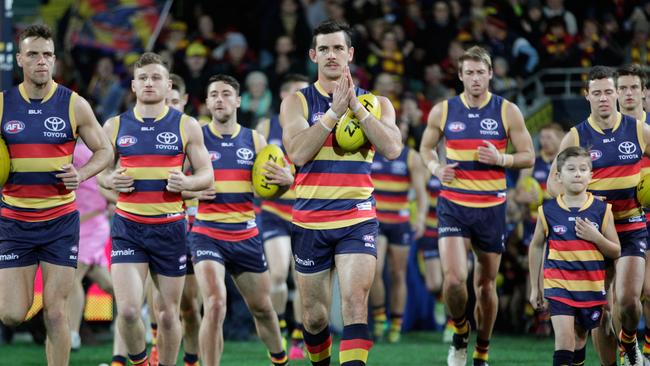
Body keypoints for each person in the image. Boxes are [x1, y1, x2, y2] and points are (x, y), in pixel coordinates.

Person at [280, 20, 402, 366]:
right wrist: (334, 112)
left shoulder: (378, 103)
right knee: (315, 317)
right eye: (324, 49)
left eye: (338, 48)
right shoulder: (296, 102)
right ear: (312, 55)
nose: (331, 55)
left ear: (350, 54)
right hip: (310, 221)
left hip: (357, 218)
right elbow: (298, 153)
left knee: (354, 304)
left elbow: (393, 148)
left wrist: (358, 109)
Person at [0, 24, 113, 366]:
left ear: (54, 60)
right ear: (20, 59)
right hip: (14, 222)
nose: (41, 61)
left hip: (60, 222)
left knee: (56, 312)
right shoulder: (4, 104)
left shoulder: (73, 104)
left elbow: (105, 150)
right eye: (33, 54)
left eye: (47, 54)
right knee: (11, 314)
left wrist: (81, 173)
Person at [419, 45, 535, 366]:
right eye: (468, 73)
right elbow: (426, 148)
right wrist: (435, 169)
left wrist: (501, 158)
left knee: (484, 287)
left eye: (480, 72)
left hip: (491, 208)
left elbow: (529, 155)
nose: (474, 79)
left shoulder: (507, 110)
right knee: (454, 279)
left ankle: (482, 351)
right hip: (454, 205)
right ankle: (459, 332)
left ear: (490, 74)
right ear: (460, 76)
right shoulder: (443, 110)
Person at [98, 52, 213, 366]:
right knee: (129, 310)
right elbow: (101, 179)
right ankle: (139, 362)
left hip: (170, 228)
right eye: (143, 78)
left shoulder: (187, 125)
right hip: (128, 228)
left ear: (167, 84)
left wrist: (186, 184)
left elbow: (207, 176)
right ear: (134, 85)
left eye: (156, 77)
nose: (150, 83)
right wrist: (111, 181)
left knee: (166, 314)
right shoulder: (114, 125)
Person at [548, 65, 650, 366]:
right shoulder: (576, 135)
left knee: (629, 300)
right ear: (587, 96)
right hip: (592, 232)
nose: (604, 98)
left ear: (617, 93)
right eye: (597, 93)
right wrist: (576, 197)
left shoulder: (638, 130)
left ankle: (629, 343)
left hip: (631, 225)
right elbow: (553, 182)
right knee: (600, 310)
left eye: (608, 92)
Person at [187, 74, 290, 366]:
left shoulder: (255, 140)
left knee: (263, 309)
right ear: (207, 102)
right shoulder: (196, 138)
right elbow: (175, 185)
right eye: (214, 94)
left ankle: (279, 359)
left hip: (245, 235)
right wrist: (192, 186)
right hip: (206, 233)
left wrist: (286, 181)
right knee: (216, 305)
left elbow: (269, 191)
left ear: (238, 100)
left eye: (227, 93)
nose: (220, 99)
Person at [529, 146, 620, 366]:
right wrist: (536, 287)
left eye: (583, 169)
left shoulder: (601, 210)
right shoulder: (548, 210)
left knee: (579, 339)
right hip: (559, 287)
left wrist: (596, 237)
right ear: (559, 176)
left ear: (591, 175)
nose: (577, 173)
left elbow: (616, 250)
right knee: (565, 340)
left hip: (590, 288)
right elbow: (536, 247)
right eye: (571, 169)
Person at [256, 73, 310, 360]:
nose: (304, 97)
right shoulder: (266, 126)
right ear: (284, 96)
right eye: (298, 93)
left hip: (305, 211)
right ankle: (279, 328)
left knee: (300, 277)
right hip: (275, 212)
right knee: (277, 274)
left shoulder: (316, 124)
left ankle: (299, 337)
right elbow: (255, 168)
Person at [369, 144, 428, 343]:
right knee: (374, 271)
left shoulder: (411, 156)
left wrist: (420, 218)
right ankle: (379, 319)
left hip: (400, 222)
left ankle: (396, 323)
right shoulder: (371, 149)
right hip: (375, 219)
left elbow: (421, 192)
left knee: (398, 274)